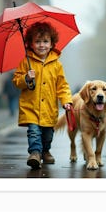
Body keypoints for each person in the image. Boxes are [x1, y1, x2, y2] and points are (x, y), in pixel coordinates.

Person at [12, 22, 72, 169]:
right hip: (30, 107)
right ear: (31, 44)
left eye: (45, 41)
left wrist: (66, 101)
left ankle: (45, 151)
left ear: (52, 44)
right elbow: (16, 81)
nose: (41, 45)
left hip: (49, 109)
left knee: (47, 135)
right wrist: (26, 78)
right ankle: (34, 153)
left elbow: (62, 86)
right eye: (37, 41)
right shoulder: (26, 62)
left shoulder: (57, 65)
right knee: (33, 132)